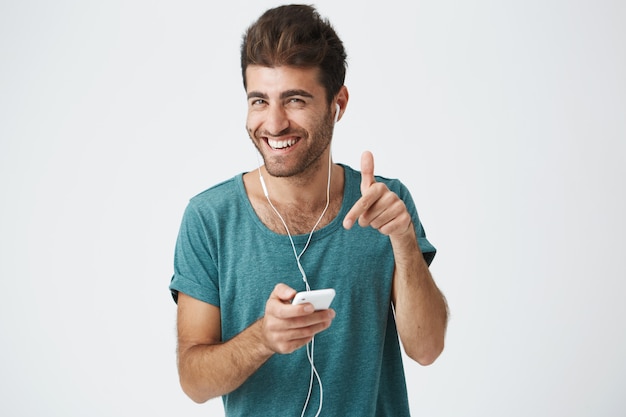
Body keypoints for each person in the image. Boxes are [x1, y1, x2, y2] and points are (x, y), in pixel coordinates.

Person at [169, 4, 448, 416]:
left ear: (339, 102)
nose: (274, 123)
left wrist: (405, 242)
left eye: (295, 100)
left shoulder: (386, 205)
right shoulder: (210, 218)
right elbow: (194, 382)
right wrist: (264, 337)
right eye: (259, 100)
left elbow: (426, 349)